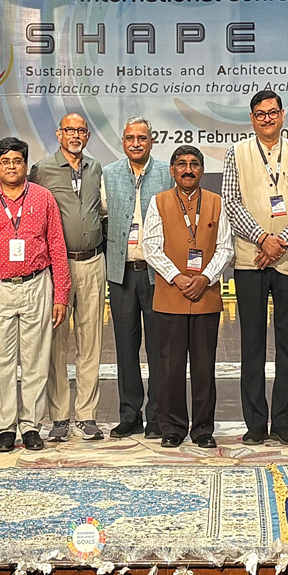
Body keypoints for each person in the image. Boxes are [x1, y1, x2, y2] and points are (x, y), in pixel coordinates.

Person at [0, 137, 71, 453]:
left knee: (37, 361)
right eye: (5, 161)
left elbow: (57, 247)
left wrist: (61, 294)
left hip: (37, 284)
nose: (12, 166)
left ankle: (31, 426)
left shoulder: (44, 198)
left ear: (26, 165)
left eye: (17, 161)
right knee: (1, 362)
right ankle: (5, 428)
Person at [226, 90, 288, 446]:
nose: (266, 118)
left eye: (272, 112)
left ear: (282, 116)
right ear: (252, 119)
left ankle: (283, 422)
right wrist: (263, 238)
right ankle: (255, 424)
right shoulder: (237, 153)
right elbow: (232, 202)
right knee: (251, 345)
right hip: (251, 260)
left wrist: (281, 242)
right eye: (260, 114)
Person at [142, 145, 234, 448]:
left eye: (194, 164)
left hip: (206, 295)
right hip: (170, 294)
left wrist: (205, 277)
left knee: (205, 367)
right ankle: (172, 428)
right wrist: (178, 277)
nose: (188, 169)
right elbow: (151, 246)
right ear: (172, 170)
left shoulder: (216, 203)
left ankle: (203, 429)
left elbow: (225, 248)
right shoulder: (159, 202)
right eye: (181, 164)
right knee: (170, 366)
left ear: (202, 170)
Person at [30, 113, 107, 442]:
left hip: (92, 263)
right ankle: (59, 416)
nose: (75, 135)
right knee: (57, 344)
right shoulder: (43, 170)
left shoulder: (95, 168)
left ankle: (87, 414)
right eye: (69, 130)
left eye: (81, 130)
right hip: (57, 267)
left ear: (87, 136)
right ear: (59, 134)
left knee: (91, 343)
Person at [103, 117, 173, 438]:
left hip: (157, 274)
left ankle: (158, 415)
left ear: (151, 140)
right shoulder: (109, 174)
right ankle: (130, 414)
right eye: (130, 138)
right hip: (121, 274)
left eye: (141, 138)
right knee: (125, 348)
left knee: (160, 348)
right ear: (122, 141)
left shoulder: (166, 173)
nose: (135, 143)